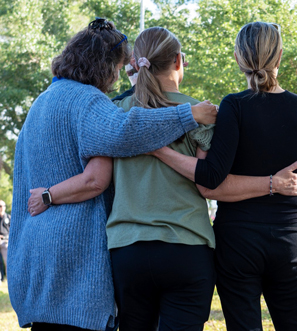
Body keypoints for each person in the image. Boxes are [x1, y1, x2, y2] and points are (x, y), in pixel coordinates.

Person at [28, 26, 297, 331]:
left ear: (136, 63)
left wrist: (49, 194)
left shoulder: (115, 113)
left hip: (128, 250)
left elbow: (98, 179)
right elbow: (207, 182)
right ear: (178, 61)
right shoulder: (203, 113)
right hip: (187, 248)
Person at [9, 18, 220, 331]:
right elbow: (123, 134)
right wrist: (189, 114)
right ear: (104, 65)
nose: (118, 77)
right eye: (119, 68)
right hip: (74, 252)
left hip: (36, 250)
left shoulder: (42, 103)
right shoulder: (87, 101)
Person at [147, 22, 297, 331]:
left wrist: (160, 150)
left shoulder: (234, 106)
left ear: (238, 58)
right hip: (290, 240)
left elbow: (210, 179)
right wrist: (275, 186)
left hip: (238, 243)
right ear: (279, 55)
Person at [0, 200, 9, 282]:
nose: (1, 208)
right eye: (0, 206)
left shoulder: (8, 217)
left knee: (7, 261)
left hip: (5, 241)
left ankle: (9, 278)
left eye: (2, 206)